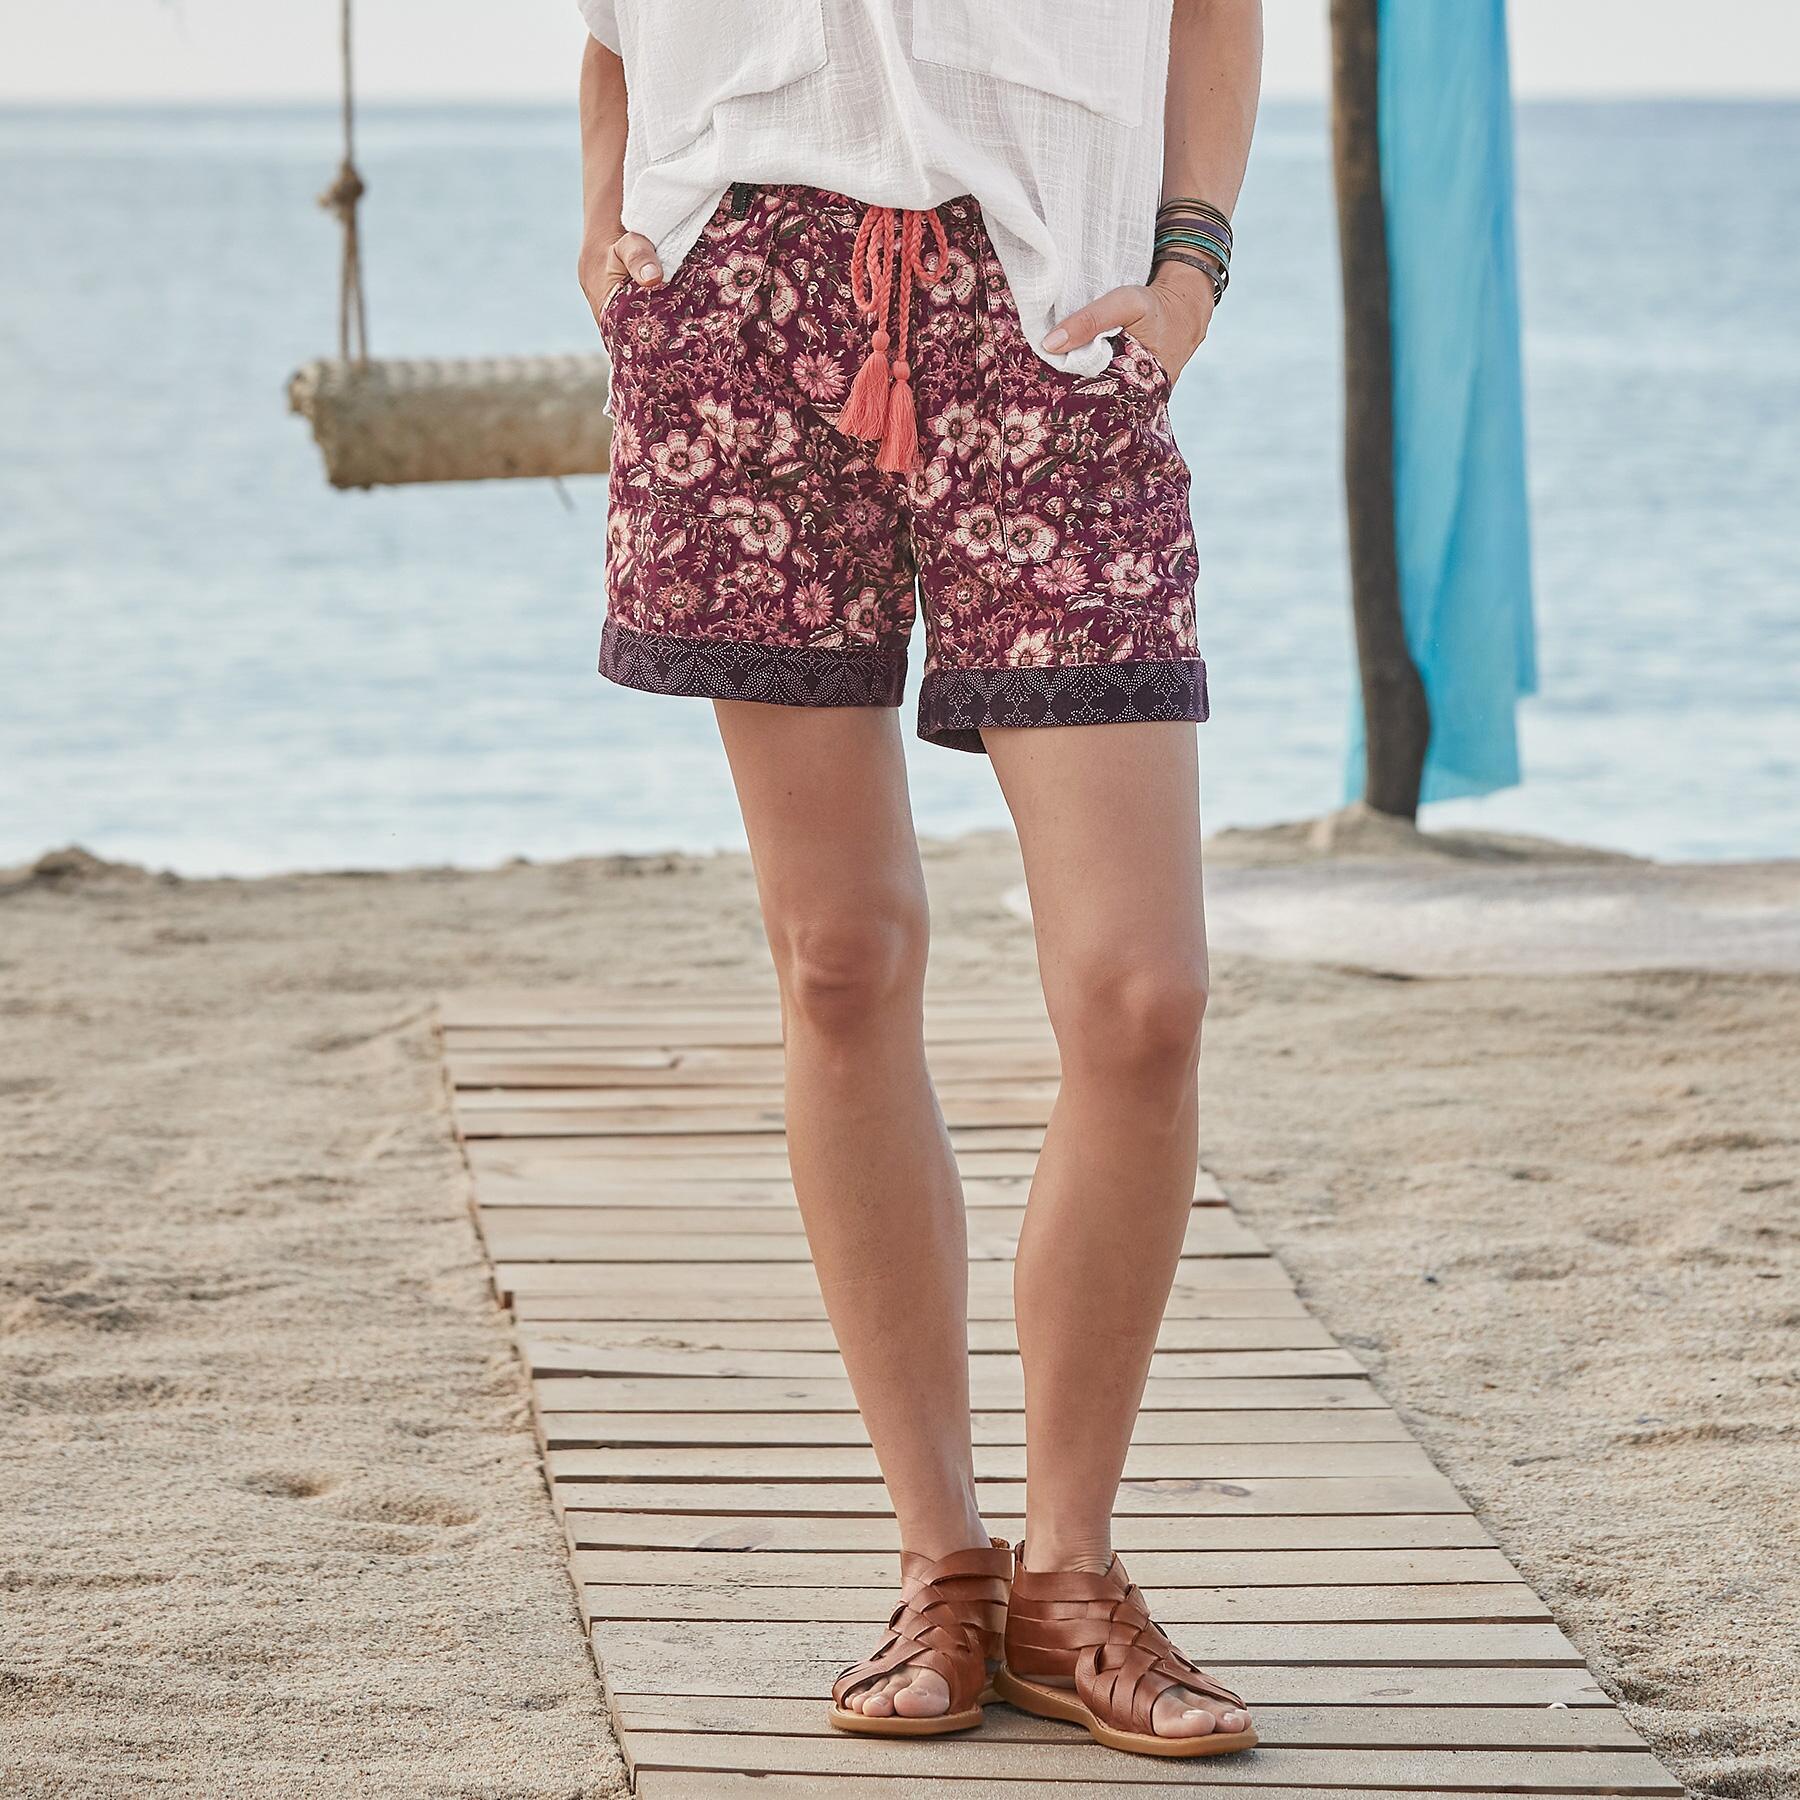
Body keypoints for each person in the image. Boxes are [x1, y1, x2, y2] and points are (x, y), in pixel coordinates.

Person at [576, 0, 1262, 1759]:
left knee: (1143, 993)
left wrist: (1191, 267)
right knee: (842, 955)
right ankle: (943, 1564)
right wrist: (608, 233)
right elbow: (612, 33)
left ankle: (1071, 1578)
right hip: (741, 308)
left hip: (1057, 322)